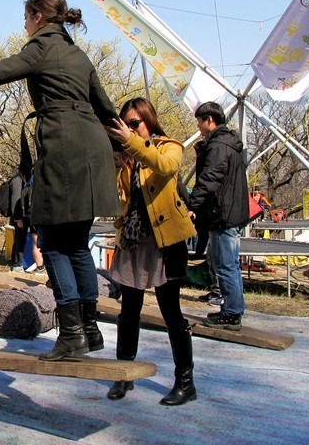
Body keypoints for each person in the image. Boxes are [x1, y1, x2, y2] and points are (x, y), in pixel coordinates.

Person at [0, 0, 120, 362]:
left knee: (53, 242)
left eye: (25, 17)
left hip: (64, 148)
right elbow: (106, 109)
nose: (23, 24)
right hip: (94, 149)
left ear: (39, 17)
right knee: (77, 244)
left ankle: (72, 333)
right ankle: (90, 331)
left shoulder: (41, 47)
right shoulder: (78, 54)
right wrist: (129, 146)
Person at [104, 97, 198, 406]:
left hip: (164, 243)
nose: (130, 130)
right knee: (128, 312)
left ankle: (186, 382)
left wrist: (131, 145)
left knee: (172, 313)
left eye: (135, 124)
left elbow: (165, 166)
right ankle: (123, 374)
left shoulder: (169, 147)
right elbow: (118, 201)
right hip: (132, 241)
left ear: (149, 121)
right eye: (125, 125)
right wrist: (114, 163)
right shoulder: (126, 158)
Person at [188, 101, 250, 331]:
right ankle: (233, 309)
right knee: (228, 264)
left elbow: (209, 179)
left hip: (222, 213)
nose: (199, 128)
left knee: (225, 265)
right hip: (229, 211)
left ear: (210, 120)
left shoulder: (219, 146)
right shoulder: (228, 143)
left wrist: (193, 205)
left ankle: (232, 312)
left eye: (199, 123)